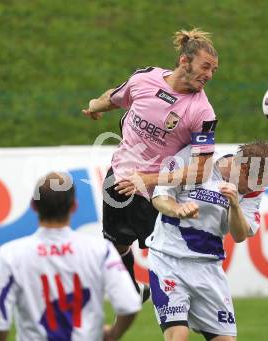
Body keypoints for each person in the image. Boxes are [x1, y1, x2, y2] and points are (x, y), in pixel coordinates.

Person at [82, 28, 219, 300]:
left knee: (169, 255)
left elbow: (202, 170)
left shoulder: (202, 112)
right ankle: (133, 290)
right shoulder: (145, 78)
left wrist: (148, 180)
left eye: (214, 70)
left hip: (159, 193)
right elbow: (115, 97)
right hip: (120, 180)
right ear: (184, 61)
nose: (209, 75)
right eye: (205, 66)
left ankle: (189, 308)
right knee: (115, 243)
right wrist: (95, 106)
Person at [147, 141, 268, 340]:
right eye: (256, 183)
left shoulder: (251, 192)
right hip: (168, 260)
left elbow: (240, 235)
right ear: (243, 168)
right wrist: (177, 209)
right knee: (178, 335)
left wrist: (235, 206)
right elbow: (159, 197)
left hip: (209, 268)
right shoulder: (197, 158)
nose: (256, 189)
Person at [0, 172, 141, 341]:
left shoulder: (10, 254)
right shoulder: (100, 250)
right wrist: (112, 335)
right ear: (74, 206)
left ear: (34, 206)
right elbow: (129, 304)